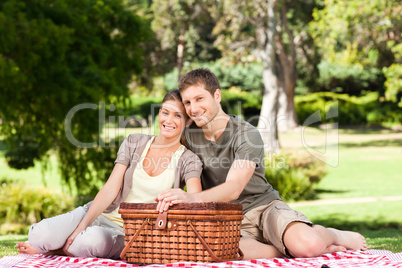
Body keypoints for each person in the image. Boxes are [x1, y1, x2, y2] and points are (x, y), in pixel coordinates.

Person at [156, 69, 368, 260]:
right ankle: (285, 248)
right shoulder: (189, 134)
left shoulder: (246, 133)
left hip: (263, 207)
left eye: (199, 98)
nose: (193, 108)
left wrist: (191, 199)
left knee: (309, 246)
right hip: (229, 219)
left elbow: (234, 188)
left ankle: (331, 234)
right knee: (215, 248)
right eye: (187, 103)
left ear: (217, 95)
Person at [16, 90, 202, 259]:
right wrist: (81, 226)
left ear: (188, 121)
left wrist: (184, 197)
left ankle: (54, 251)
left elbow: (197, 202)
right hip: (99, 213)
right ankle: (59, 245)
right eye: (165, 112)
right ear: (159, 113)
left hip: (128, 233)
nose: (169, 121)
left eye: (178, 115)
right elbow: (110, 188)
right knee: (39, 234)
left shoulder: (189, 159)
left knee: (90, 241)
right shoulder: (134, 142)